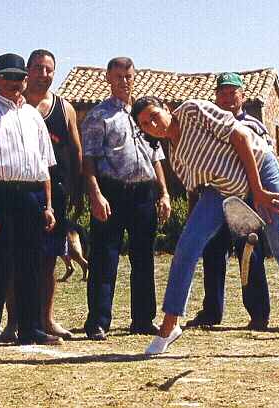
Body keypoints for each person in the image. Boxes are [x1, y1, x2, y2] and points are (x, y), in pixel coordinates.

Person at [132, 96, 279, 356]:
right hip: (225, 190)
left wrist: (258, 191)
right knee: (186, 248)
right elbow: (200, 190)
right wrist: (194, 230)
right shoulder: (176, 158)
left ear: (166, 110)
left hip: (261, 169)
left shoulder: (193, 111)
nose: (153, 125)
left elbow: (241, 138)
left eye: (154, 116)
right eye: (146, 125)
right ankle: (169, 326)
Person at [0, 53, 63, 349]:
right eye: (6, 76)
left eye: (18, 77)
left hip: (32, 195)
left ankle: (32, 328)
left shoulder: (34, 116)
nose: (13, 82)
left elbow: (45, 165)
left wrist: (47, 206)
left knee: (30, 265)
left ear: (25, 79)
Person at [81, 57, 171, 340]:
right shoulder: (99, 116)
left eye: (128, 76)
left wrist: (164, 193)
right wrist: (95, 194)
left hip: (144, 193)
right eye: (118, 76)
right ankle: (97, 321)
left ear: (135, 77)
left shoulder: (145, 115)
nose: (124, 81)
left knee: (144, 258)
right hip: (112, 192)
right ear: (108, 78)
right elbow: (89, 159)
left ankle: (143, 319)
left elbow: (156, 156)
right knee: (104, 258)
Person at [184, 72, 271, 330]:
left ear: (242, 96)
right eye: (222, 92)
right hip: (214, 200)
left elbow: (267, 165)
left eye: (232, 92)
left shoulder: (255, 127)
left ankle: (258, 314)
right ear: (216, 97)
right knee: (212, 254)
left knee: (249, 257)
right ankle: (211, 312)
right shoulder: (206, 129)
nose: (227, 97)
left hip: (244, 201)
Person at [21, 49, 83, 340]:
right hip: (19, 189)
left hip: (55, 193)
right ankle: (15, 322)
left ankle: (46, 319)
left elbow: (76, 150)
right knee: (16, 258)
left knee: (49, 259)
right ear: (27, 70)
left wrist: (78, 189)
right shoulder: (14, 104)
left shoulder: (64, 108)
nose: (43, 74)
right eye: (38, 68)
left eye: (49, 70)